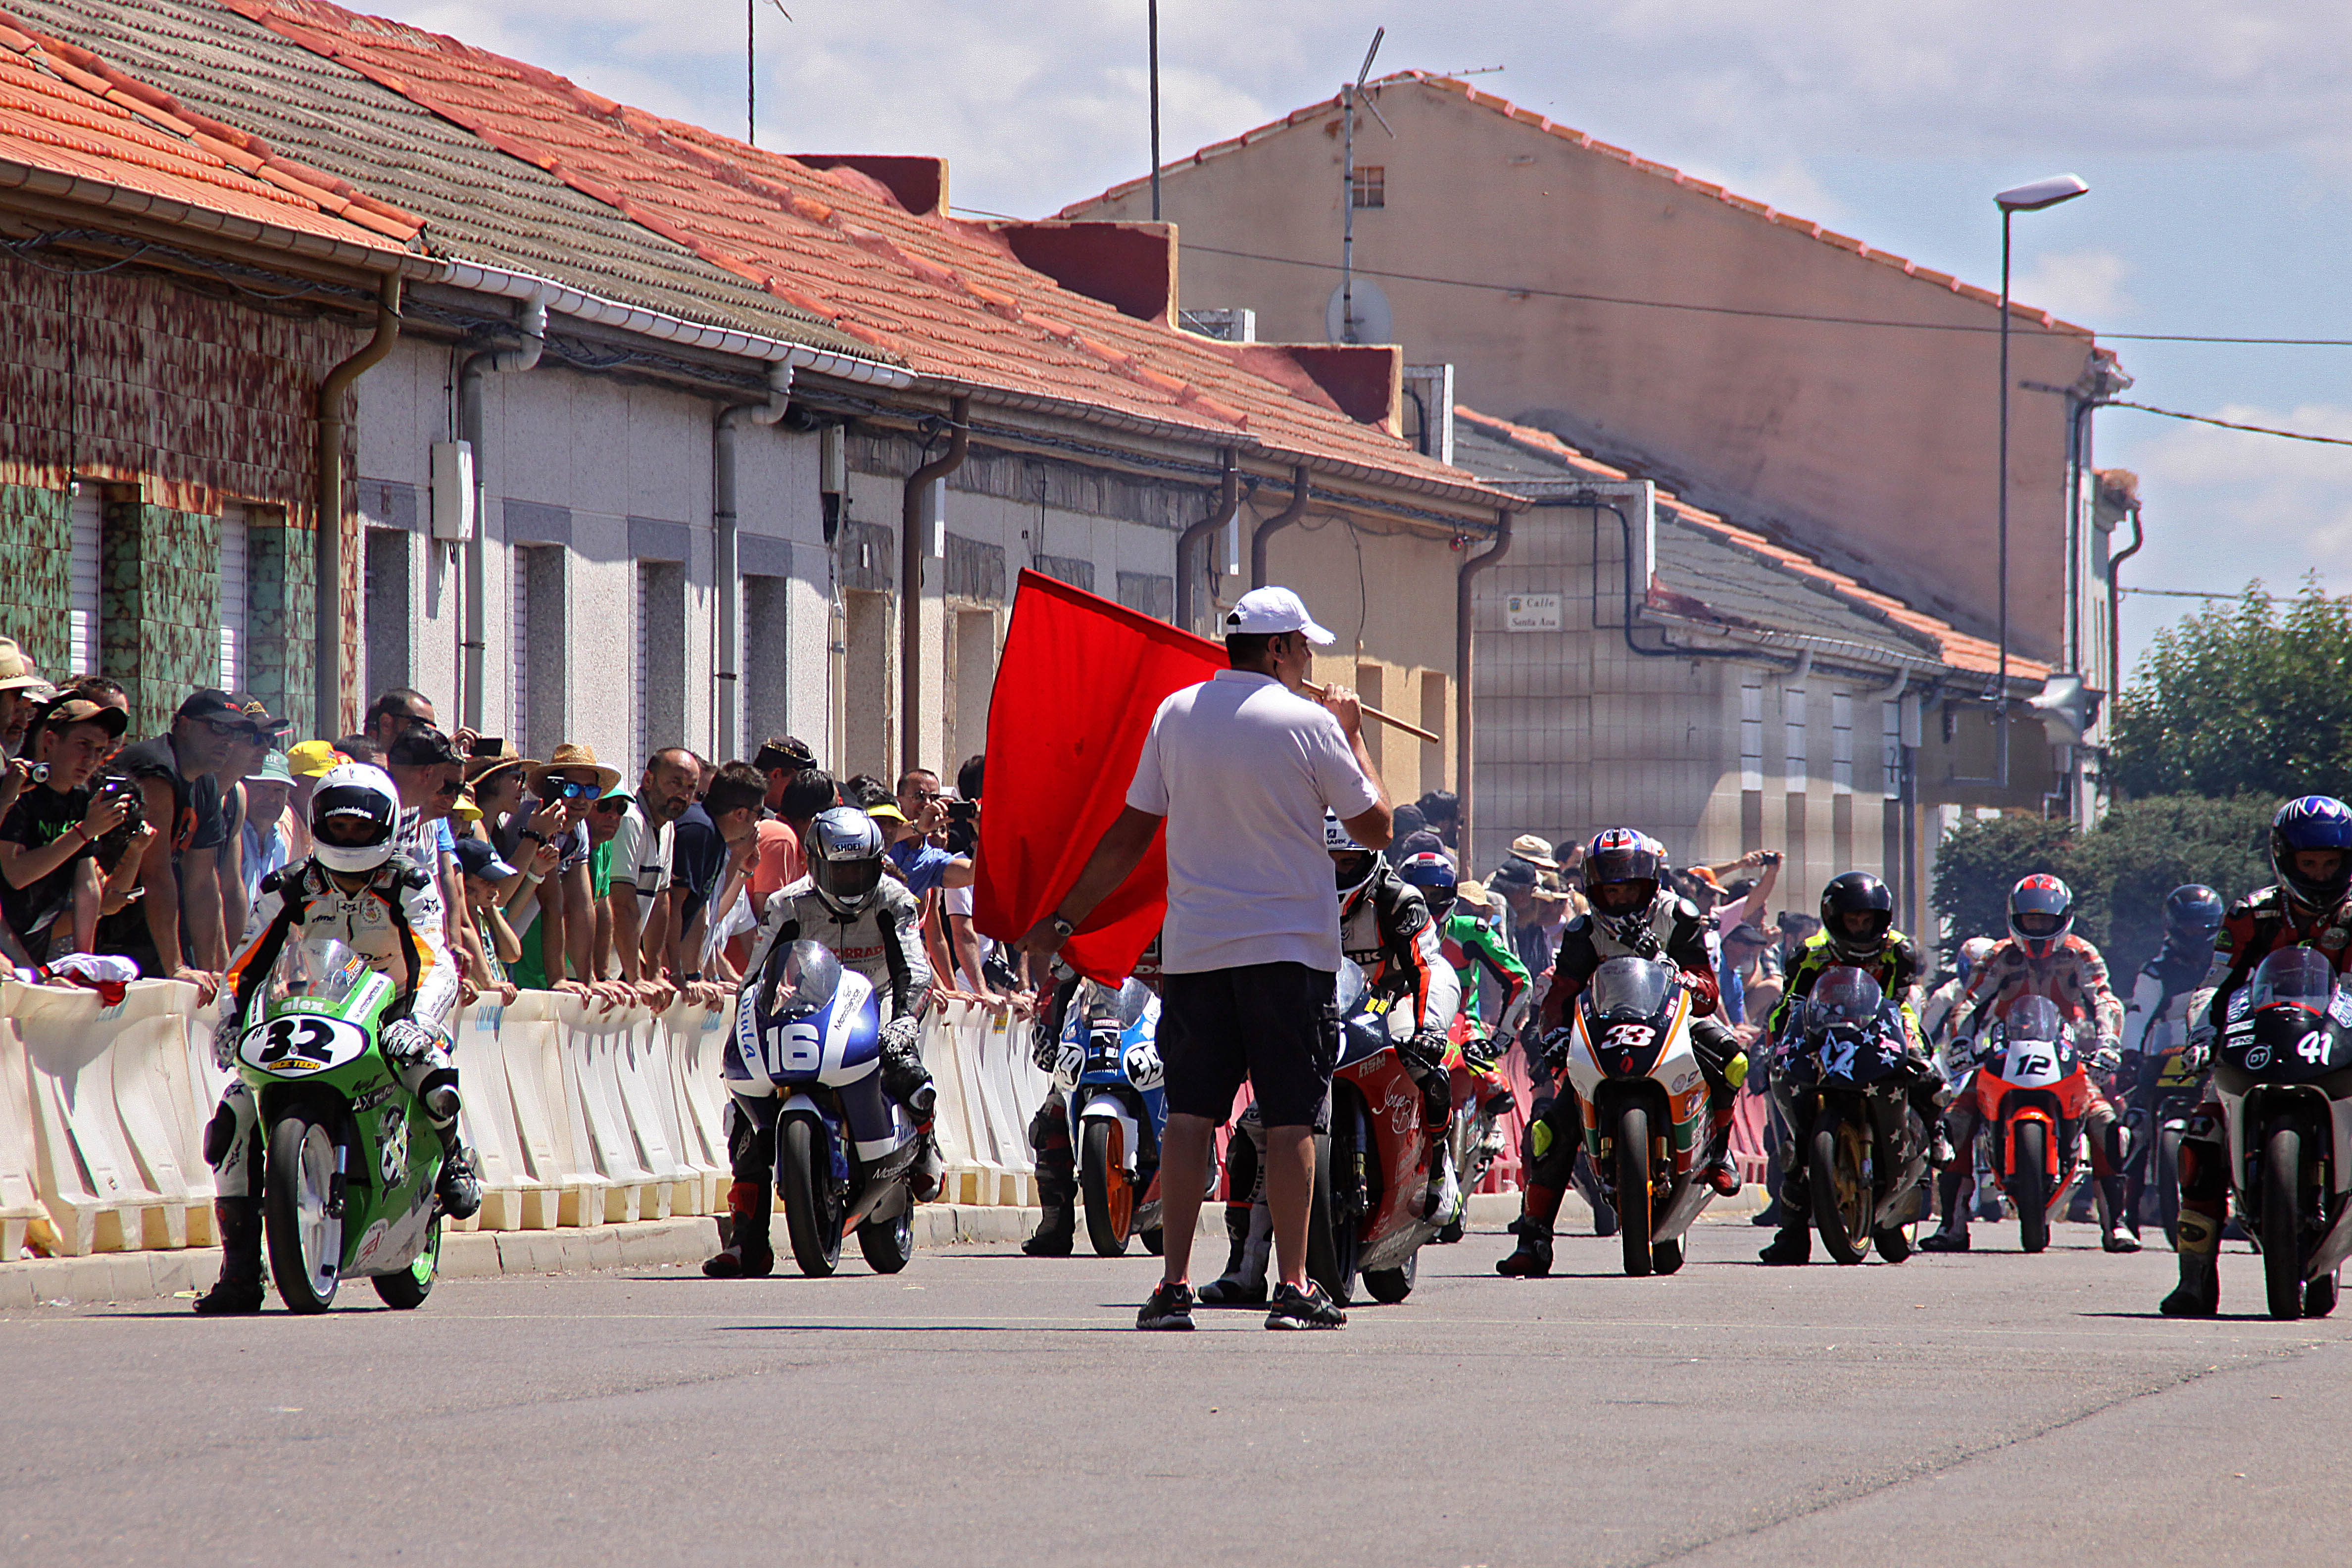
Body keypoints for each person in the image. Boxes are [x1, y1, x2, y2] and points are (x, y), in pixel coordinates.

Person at [1017, 585, 1389, 1331]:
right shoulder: (1312, 723)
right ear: (1279, 649)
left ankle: (1173, 1285)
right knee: (1290, 1124)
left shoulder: (1177, 714)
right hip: (1289, 954)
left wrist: (1062, 919)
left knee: (1189, 1118)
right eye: (1305, 647)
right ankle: (1292, 1287)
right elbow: (1376, 826)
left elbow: (1128, 834)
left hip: (1197, 953)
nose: (1312, 660)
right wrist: (1352, 733)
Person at [192, 763, 482, 1314]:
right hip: (313, 1006)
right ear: (319, 823)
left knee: (429, 1073)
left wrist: (417, 1019)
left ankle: (455, 1156)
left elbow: (433, 957)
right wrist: (230, 1019)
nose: (349, 837)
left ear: (388, 826)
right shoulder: (289, 885)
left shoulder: (410, 881)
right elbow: (247, 960)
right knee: (232, 1117)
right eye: (339, 826)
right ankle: (239, 1273)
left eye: (361, 827)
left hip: (396, 1004)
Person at [1195, 816, 1461, 1306]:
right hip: (1318, 1008)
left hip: (1390, 1001)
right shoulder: (1288, 896)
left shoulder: (1398, 901)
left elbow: (1425, 966)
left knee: (1428, 1062)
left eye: (1348, 862)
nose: (1338, 871)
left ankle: (1441, 1169)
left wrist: (1428, 1029)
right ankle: (1245, 1264)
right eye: (1329, 861)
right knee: (1257, 1124)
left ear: (1368, 859)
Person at [705, 805, 941, 1277]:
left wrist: (904, 1022)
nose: (854, 879)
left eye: (862, 867)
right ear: (817, 866)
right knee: (748, 1115)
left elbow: (914, 970)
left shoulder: (895, 899)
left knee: (905, 1068)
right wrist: (746, 1028)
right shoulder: (787, 904)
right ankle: (747, 1242)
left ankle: (925, 1143)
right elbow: (754, 979)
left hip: (878, 1003)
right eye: (842, 869)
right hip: (814, 1006)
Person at [1497, 829, 1746, 1277]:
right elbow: (1561, 995)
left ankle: (1721, 1152)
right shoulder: (1583, 930)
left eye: (1630, 886)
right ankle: (1533, 1239)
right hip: (1604, 1030)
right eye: (1612, 888)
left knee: (1732, 1056)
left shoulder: (1679, 915)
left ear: (1649, 883)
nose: (1621, 896)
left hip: (1675, 1022)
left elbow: (1708, 992)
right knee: (1550, 1127)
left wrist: (1678, 974)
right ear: (1595, 890)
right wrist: (1552, 1034)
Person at [2162, 799, 2352, 1315]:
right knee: (2200, 1141)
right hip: (2263, 1041)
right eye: (2309, 863)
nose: (2320, 874)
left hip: (2341, 1043)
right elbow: (2215, 982)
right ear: (2285, 859)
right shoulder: (2252, 913)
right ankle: (2195, 1278)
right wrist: (2202, 1033)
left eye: (2331, 863)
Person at [1929, 873, 2134, 1255]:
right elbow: (1970, 1002)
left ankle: (2115, 1224)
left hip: (2067, 1052)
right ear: (2014, 918)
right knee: (1957, 1118)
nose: (2038, 928)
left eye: (2046, 921)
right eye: (2031, 920)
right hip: (2004, 1050)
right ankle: (1952, 1224)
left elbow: (2105, 999)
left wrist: (2108, 1042)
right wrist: (1958, 1042)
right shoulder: (1998, 955)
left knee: (2106, 1121)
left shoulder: (2082, 953)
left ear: (2065, 919)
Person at [1755, 871, 1948, 1265]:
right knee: (1794, 1133)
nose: (1860, 928)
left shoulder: (1900, 952)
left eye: (1866, 920)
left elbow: (1905, 998)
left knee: (1927, 1071)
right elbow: (1790, 1005)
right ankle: (1792, 1235)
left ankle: (1936, 1130)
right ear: (1834, 919)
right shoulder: (1809, 953)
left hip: (1882, 1032)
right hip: (1824, 1039)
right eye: (1851, 921)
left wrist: (1910, 1040)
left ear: (1881, 919)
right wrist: (1775, 1043)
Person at [98, 688, 242, 992]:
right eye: (218, 728)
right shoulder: (155, 769)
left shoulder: (205, 782)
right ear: (184, 725)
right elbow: (157, 874)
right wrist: (176, 967)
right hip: (108, 926)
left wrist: (217, 973)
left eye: (235, 732)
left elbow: (203, 882)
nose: (228, 741)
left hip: (152, 929)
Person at [0, 696, 150, 964]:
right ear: (51, 741)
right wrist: (85, 831)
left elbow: (86, 884)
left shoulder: (82, 799)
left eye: (100, 750)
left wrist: (83, 962)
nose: (91, 759)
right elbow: (16, 874)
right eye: (83, 745)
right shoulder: (18, 789)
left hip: (32, 947)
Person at [607, 747, 698, 1001]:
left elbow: (660, 901)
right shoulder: (630, 820)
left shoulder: (668, 828)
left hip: (618, 970)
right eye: (676, 783)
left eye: (691, 788)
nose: (683, 794)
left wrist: (656, 973)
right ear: (648, 780)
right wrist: (636, 978)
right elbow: (622, 904)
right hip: (591, 970)